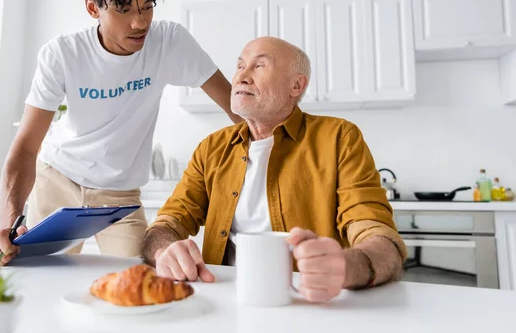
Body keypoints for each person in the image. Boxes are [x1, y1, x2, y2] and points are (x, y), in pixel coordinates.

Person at [0, 0, 242, 266]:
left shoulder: (170, 42)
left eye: (147, 6)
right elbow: (26, 148)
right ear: (93, 8)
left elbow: (237, 107)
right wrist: (10, 225)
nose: (140, 22)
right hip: (59, 178)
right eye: (124, 9)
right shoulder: (62, 54)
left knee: (140, 274)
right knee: (32, 272)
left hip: (120, 195)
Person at [142, 37, 407, 303]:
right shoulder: (211, 148)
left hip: (308, 302)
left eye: (259, 66)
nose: (241, 77)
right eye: (240, 66)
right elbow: (167, 223)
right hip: (225, 298)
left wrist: (349, 266)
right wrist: (164, 251)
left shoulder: (339, 137)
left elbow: (380, 238)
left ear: (296, 85)